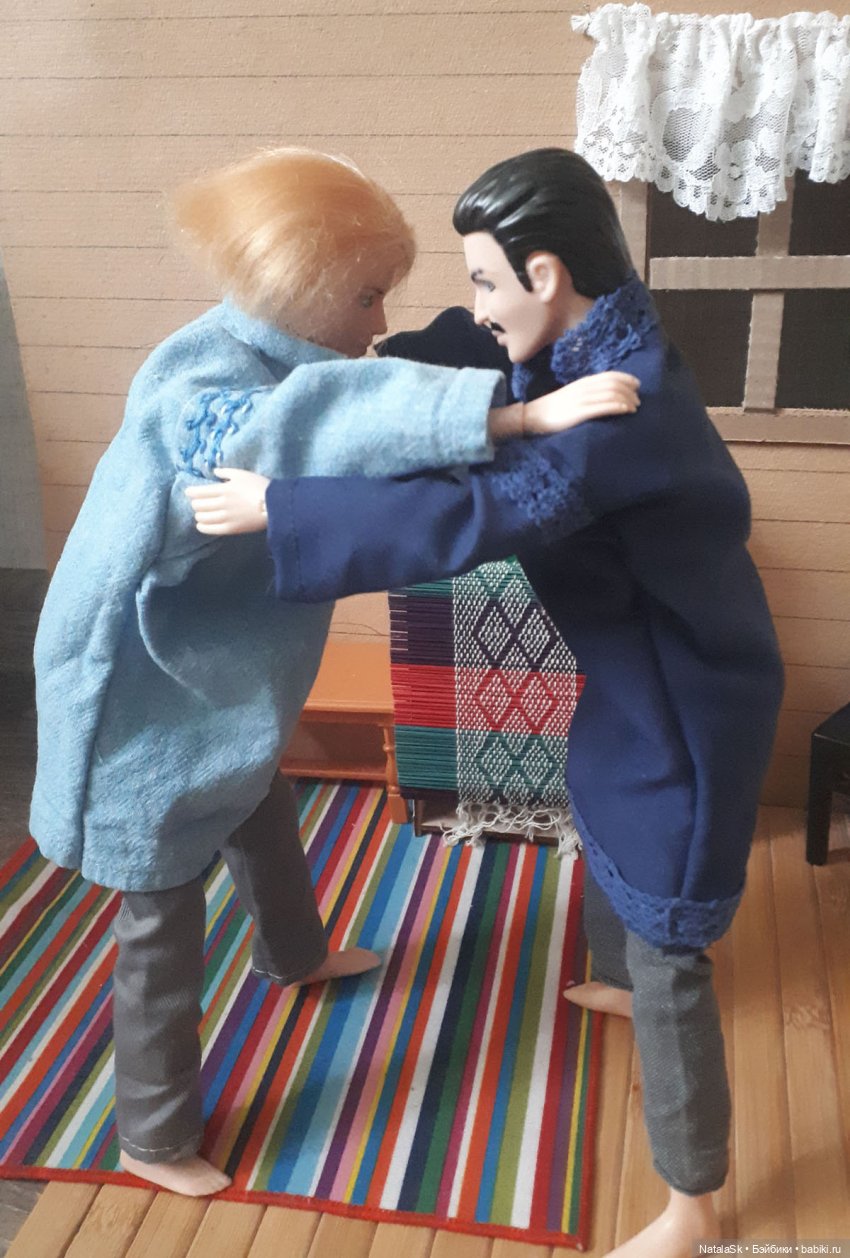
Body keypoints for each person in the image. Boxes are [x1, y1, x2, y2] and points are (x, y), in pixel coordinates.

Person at [186, 148, 785, 1256]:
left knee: (671, 923)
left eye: (484, 279)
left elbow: (475, 515)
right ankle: (621, 979)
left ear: (545, 274)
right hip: (632, 668)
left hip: (686, 693)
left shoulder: (616, 412)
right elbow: (471, 346)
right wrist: (351, 355)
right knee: (604, 815)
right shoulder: (588, 333)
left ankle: (692, 1202)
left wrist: (289, 506)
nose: (476, 305)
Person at [29, 146, 639, 1200]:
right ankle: (152, 1131)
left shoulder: (281, 356)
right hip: (143, 694)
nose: (376, 321)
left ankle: (294, 956)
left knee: (257, 806)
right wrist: (510, 416)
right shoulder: (206, 388)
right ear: (302, 289)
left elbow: (355, 399)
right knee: (159, 915)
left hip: (223, 681)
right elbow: (306, 428)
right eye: (364, 297)